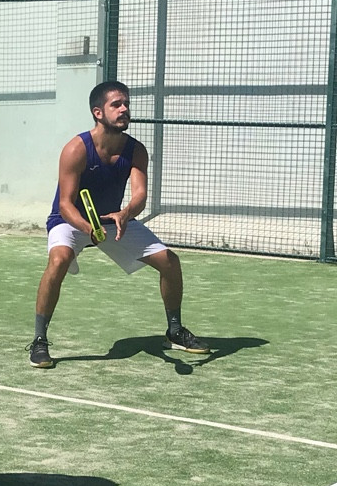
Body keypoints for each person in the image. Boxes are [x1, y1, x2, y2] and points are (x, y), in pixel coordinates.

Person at [29, 81, 208, 368]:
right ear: (98, 112)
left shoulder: (136, 150)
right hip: (71, 220)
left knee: (170, 261)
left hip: (114, 220)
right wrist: (88, 229)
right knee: (59, 260)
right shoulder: (76, 149)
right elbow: (65, 204)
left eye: (126, 104)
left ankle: (174, 331)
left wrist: (125, 214)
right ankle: (39, 340)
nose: (124, 109)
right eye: (117, 104)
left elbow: (140, 196)